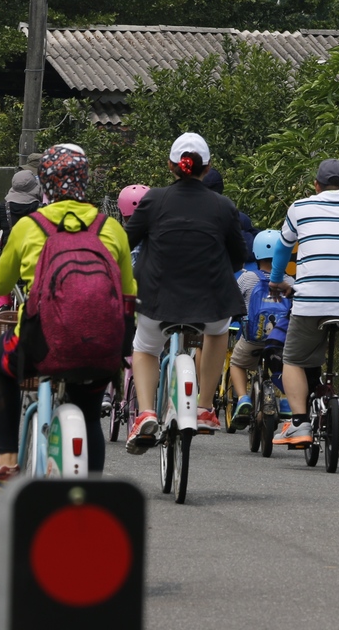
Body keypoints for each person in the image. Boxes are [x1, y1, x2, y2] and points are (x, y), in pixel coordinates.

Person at [0, 145, 136, 487]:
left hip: (42, 343)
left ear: (44, 182)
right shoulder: (111, 228)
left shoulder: (31, 226)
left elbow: (1, 281)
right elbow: (128, 292)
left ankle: (6, 459)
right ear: (85, 181)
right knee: (90, 413)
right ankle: (88, 495)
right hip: (101, 347)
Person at [123, 133, 246, 449]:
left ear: (171, 166)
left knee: (146, 347)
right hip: (210, 299)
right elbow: (237, 257)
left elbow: (126, 245)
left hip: (157, 296)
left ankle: (146, 412)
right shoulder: (223, 205)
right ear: (208, 168)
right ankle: (204, 407)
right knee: (218, 333)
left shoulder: (154, 199)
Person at [267, 159, 339, 446]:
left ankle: (299, 424)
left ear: (316, 187)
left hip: (311, 302)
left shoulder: (300, 208)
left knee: (292, 359)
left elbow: (283, 248)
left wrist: (277, 279)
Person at [227, 229, 290, 424]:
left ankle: (243, 398)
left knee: (236, 364)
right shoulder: (289, 281)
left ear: (256, 253)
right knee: (291, 365)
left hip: (252, 338)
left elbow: (233, 300)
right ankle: (287, 401)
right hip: (281, 341)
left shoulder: (247, 278)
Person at [0, 169, 43, 311]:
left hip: (11, 254)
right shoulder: (41, 208)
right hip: (34, 256)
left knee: (3, 275)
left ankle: (4, 305)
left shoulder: (3, 207)